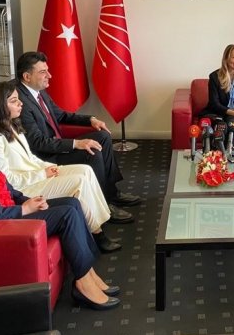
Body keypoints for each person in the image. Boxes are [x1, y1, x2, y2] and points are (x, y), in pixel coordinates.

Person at [0, 103, 121, 311]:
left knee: (72, 203)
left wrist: (30, 200)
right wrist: (23, 210)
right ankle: (83, 283)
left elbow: (8, 189)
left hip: (7, 211)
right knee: (66, 214)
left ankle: (88, 273)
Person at [0, 80, 121, 253]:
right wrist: (42, 174)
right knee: (78, 181)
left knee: (86, 170)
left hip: (37, 173)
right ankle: (98, 233)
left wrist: (52, 167)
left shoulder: (11, 125)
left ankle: (99, 222)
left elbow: (30, 158)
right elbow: (6, 180)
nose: (20, 103)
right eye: (14, 101)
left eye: (18, 99)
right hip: (26, 186)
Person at [15, 51, 142, 225]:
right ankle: (104, 205)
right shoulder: (21, 102)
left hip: (56, 145)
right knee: (91, 152)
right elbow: (37, 143)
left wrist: (90, 119)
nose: (49, 76)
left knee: (103, 136)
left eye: (48, 70)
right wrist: (76, 144)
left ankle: (111, 193)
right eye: (43, 72)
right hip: (45, 157)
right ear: (27, 76)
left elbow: (60, 115)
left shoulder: (38, 92)